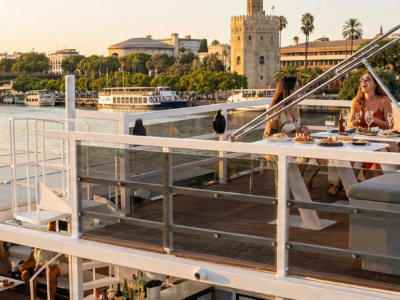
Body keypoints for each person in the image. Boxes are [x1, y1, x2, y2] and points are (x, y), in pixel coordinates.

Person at [18, 222, 69, 300]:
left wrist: (29, 265)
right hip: (44, 265)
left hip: (57, 263)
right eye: (50, 223)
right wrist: (26, 265)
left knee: (50, 271)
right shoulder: (37, 248)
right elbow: (24, 265)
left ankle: (51, 298)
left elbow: (50, 261)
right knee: (25, 273)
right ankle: (34, 297)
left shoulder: (55, 239)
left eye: (53, 223)